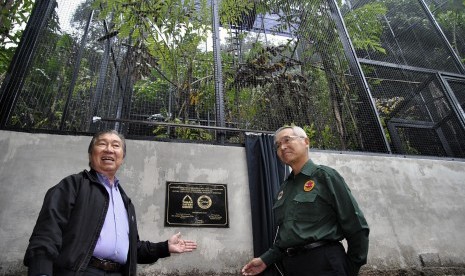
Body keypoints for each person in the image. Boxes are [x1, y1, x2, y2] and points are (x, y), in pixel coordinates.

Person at [24, 130, 197, 276]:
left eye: (116, 145)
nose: (109, 149)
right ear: (91, 154)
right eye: (102, 144)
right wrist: (41, 271)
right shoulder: (73, 185)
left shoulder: (125, 201)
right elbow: (47, 232)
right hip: (81, 271)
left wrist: (164, 247)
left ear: (122, 157)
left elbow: (133, 249)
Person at [241, 125, 369, 276]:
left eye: (287, 140)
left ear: (306, 142)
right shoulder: (284, 189)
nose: (282, 146)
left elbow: (357, 226)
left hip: (324, 262)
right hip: (291, 266)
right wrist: (265, 260)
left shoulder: (325, 176)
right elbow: (286, 237)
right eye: (277, 145)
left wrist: (350, 268)